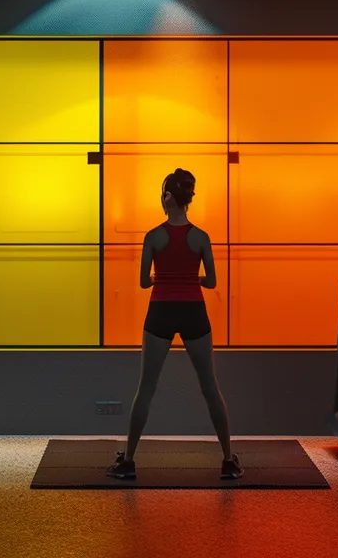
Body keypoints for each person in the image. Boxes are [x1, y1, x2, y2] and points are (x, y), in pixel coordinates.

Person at [108, 168, 241, 480]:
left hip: (161, 311)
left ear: (168, 198)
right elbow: (211, 282)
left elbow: (144, 282)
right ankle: (227, 460)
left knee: (146, 388)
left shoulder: (153, 237)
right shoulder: (201, 237)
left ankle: (128, 461)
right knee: (211, 388)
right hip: (194, 311)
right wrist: (188, 278)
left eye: (164, 193)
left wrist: (164, 278)